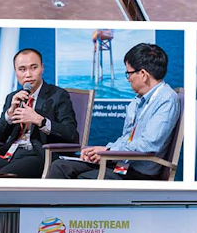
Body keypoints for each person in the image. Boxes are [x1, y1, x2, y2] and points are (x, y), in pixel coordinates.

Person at [47, 43, 179, 181]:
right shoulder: (138, 100)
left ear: (143, 74)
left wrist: (109, 152)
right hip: (122, 164)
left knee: (83, 178)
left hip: (138, 172)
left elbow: (148, 145)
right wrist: (104, 150)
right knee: (60, 166)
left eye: (129, 73)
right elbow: (127, 138)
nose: (128, 79)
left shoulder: (166, 99)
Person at [0, 48, 78, 178]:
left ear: (42, 68)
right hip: (10, 154)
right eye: (22, 69)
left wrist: (40, 121)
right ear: (16, 72)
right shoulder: (13, 97)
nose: (28, 74)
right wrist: (9, 115)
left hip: (38, 155)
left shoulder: (58, 95)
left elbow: (72, 135)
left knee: (3, 176)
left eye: (33, 68)